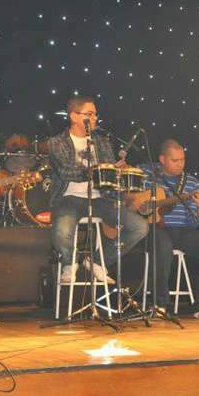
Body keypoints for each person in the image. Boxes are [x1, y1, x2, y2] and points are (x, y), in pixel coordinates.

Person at [47, 96, 148, 284]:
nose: (95, 118)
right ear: (74, 116)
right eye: (89, 114)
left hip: (99, 198)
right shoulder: (56, 142)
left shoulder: (102, 142)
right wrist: (98, 171)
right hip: (69, 197)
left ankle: (98, 261)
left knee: (139, 227)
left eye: (95, 114)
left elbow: (107, 174)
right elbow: (65, 171)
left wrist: (116, 171)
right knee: (61, 231)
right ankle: (70, 263)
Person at [137, 139, 199, 319]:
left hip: (183, 231)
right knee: (162, 245)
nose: (180, 164)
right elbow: (129, 196)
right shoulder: (144, 173)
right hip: (154, 229)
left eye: (183, 160)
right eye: (175, 161)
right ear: (162, 159)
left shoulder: (192, 183)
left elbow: (192, 223)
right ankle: (159, 304)